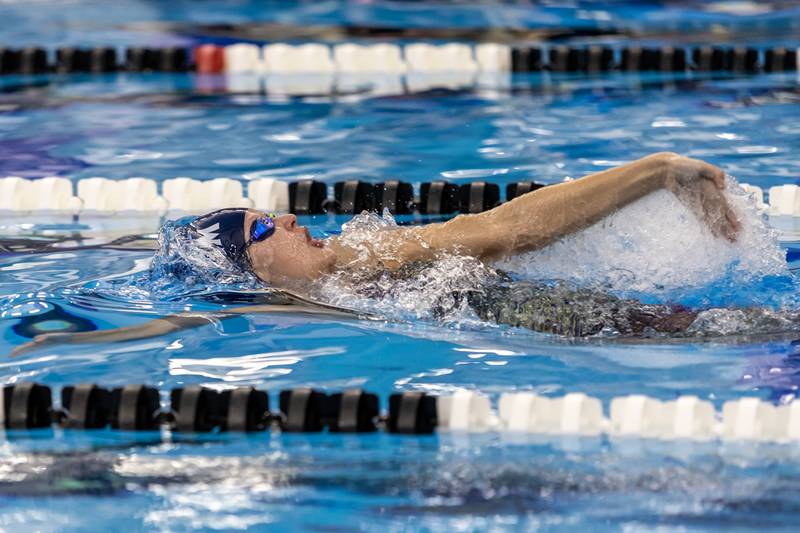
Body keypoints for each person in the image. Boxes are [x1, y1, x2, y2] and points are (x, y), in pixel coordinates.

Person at [11, 152, 752, 356]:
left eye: (271, 215)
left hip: (618, 324)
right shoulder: (281, 302)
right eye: (263, 232)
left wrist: (654, 171)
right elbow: (135, 319)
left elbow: (504, 228)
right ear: (247, 277)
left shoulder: (367, 261)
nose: (290, 222)